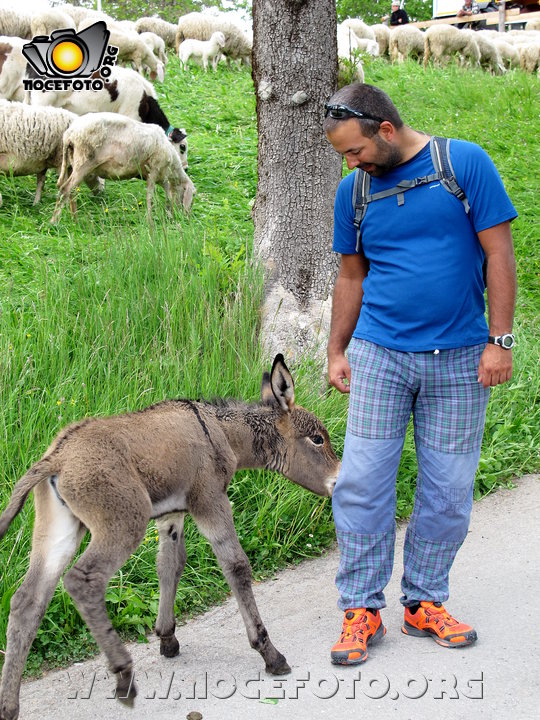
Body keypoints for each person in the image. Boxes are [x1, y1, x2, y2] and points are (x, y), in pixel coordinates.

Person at [323, 83, 517, 665]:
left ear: (385, 129)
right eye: (342, 156)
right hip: (381, 356)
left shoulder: (463, 164)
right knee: (362, 483)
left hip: (460, 359)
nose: (349, 164)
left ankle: (423, 602)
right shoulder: (353, 192)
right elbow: (350, 278)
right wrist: (337, 349)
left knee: (449, 489)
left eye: (354, 151)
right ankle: (360, 607)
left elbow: (499, 255)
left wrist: (498, 341)